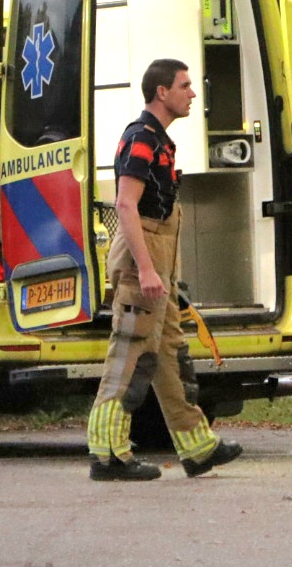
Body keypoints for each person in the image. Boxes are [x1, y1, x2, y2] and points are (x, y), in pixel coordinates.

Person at [86, 58, 242, 480]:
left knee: (171, 355)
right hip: (145, 263)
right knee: (129, 358)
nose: (193, 93)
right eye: (185, 85)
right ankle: (107, 455)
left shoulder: (159, 140)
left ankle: (198, 447)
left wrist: (165, 272)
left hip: (159, 261)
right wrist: (148, 270)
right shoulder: (142, 138)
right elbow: (125, 205)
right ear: (162, 92)